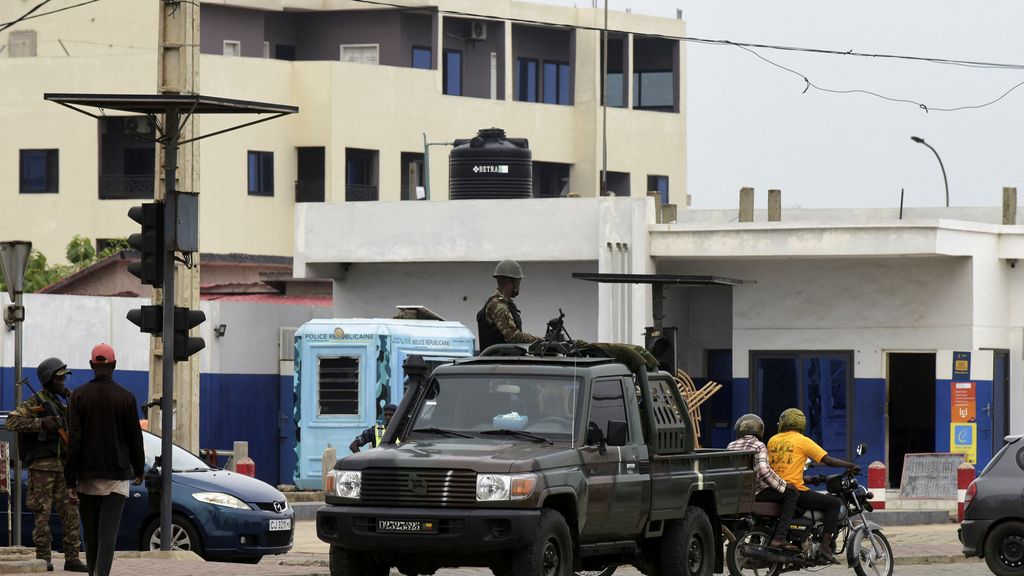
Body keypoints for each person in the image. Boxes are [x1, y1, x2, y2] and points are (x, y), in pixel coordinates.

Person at [64, 344, 145, 576]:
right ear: (114, 365)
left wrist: (71, 480)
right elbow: (134, 438)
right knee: (107, 534)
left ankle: (93, 574)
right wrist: (139, 468)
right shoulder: (126, 398)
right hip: (117, 476)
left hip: (87, 475)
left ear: (91, 365)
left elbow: (74, 441)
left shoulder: (78, 396)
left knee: (90, 533)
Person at [5, 358, 89, 572]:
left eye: (64, 377)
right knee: (41, 516)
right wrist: (41, 423)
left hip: (64, 468)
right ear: (48, 379)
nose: (63, 381)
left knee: (71, 514)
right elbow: (11, 421)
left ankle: (72, 558)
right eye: (59, 377)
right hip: (42, 470)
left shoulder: (67, 401)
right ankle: (44, 558)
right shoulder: (36, 402)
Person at [767, 408, 861, 563]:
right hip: (795, 490)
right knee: (833, 504)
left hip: (777, 488)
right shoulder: (802, 440)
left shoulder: (772, 440)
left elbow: (781, 468)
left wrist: (809, 479)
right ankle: (825, 547)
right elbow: (827, 460)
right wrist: (850, 465)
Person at [727, 414, 799, 551]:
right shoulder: (758, 445)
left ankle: (756, 537)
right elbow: (764, 471)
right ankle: (779, 537)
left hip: (739, 493)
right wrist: (783, 486)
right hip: (756, 492)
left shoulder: (731, 445)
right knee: (792, 494)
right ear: (759, 430)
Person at [476, 259, 540, 351]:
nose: (519, 286)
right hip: (499, 362)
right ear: (513, 282)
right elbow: (513, 337)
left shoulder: (503, 302)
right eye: (518, 282)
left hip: (502, 361)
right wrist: (540, 340)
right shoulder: (498, 305)